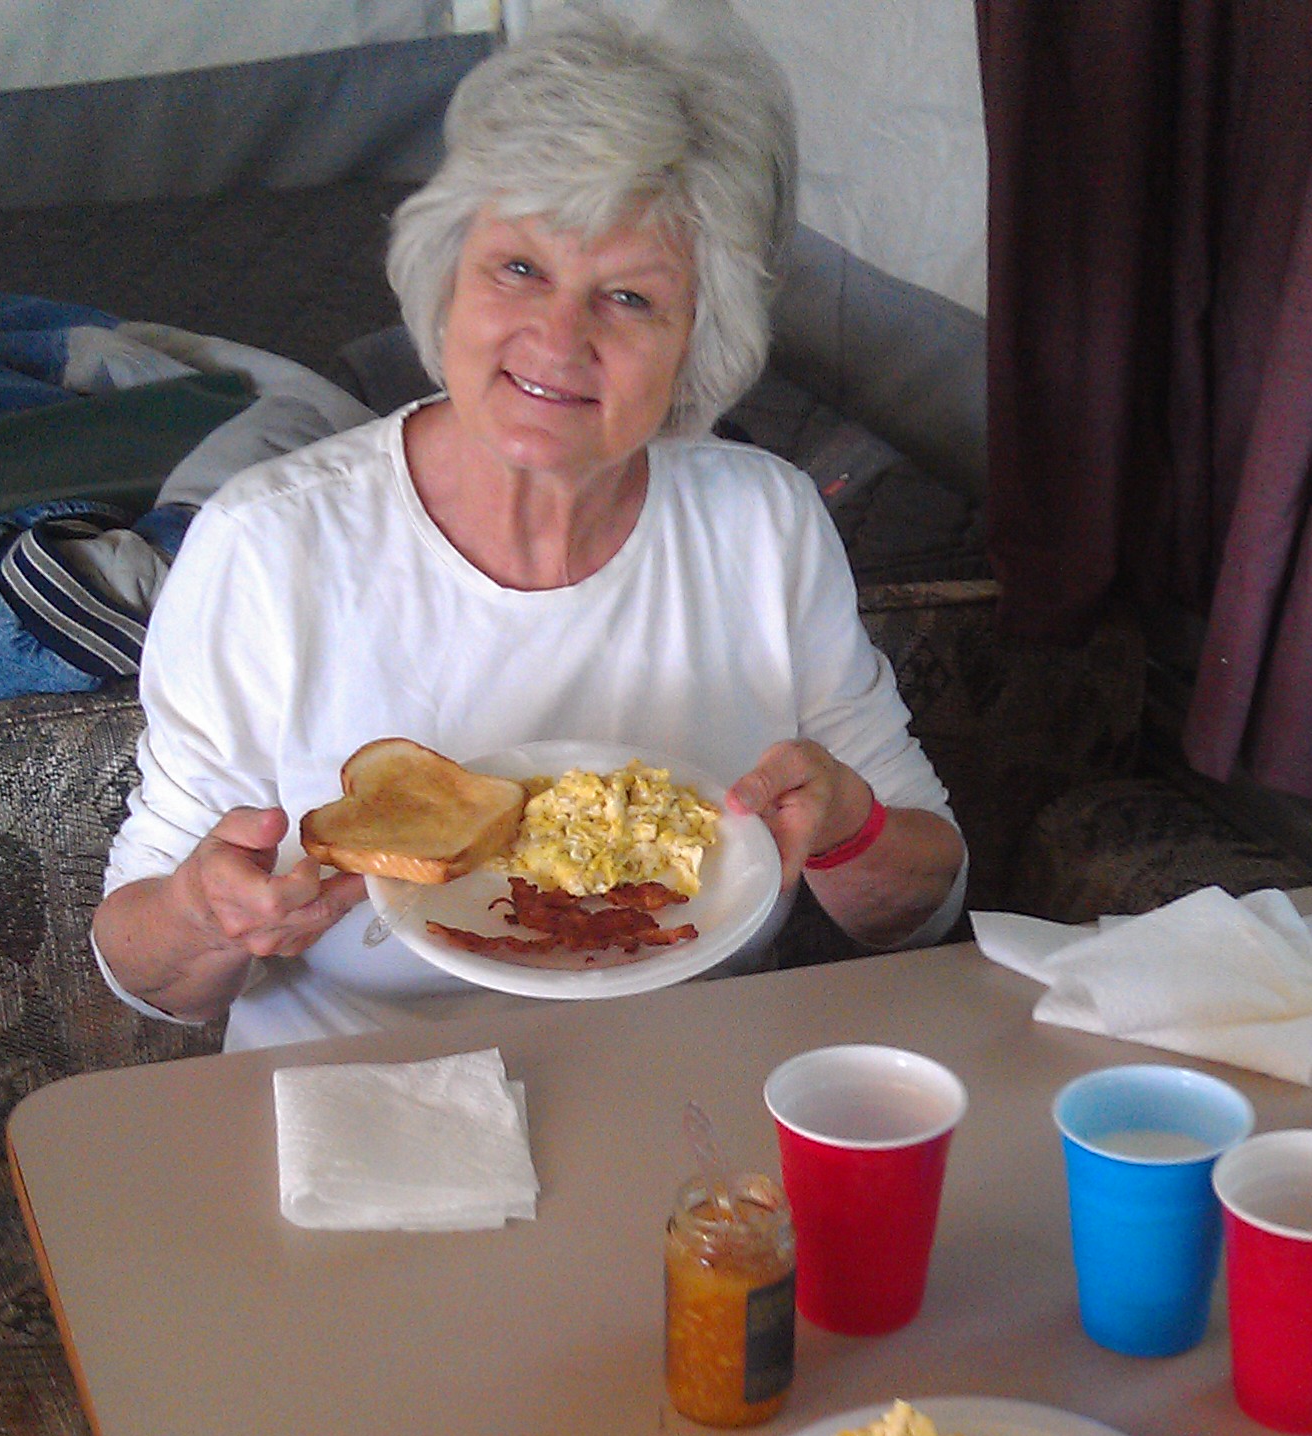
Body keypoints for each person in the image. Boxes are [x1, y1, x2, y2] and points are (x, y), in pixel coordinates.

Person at [93, 7, 966, 1048]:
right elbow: (148, 977)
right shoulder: (270, 545)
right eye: (519, 269)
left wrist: (849, 827)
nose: (558, 338)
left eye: (629, 297)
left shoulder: (763, 525)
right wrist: (207, 914)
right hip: (364, 1098)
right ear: (448, 272)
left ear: (702, 340)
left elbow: (918, 911)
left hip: (687, 1093)